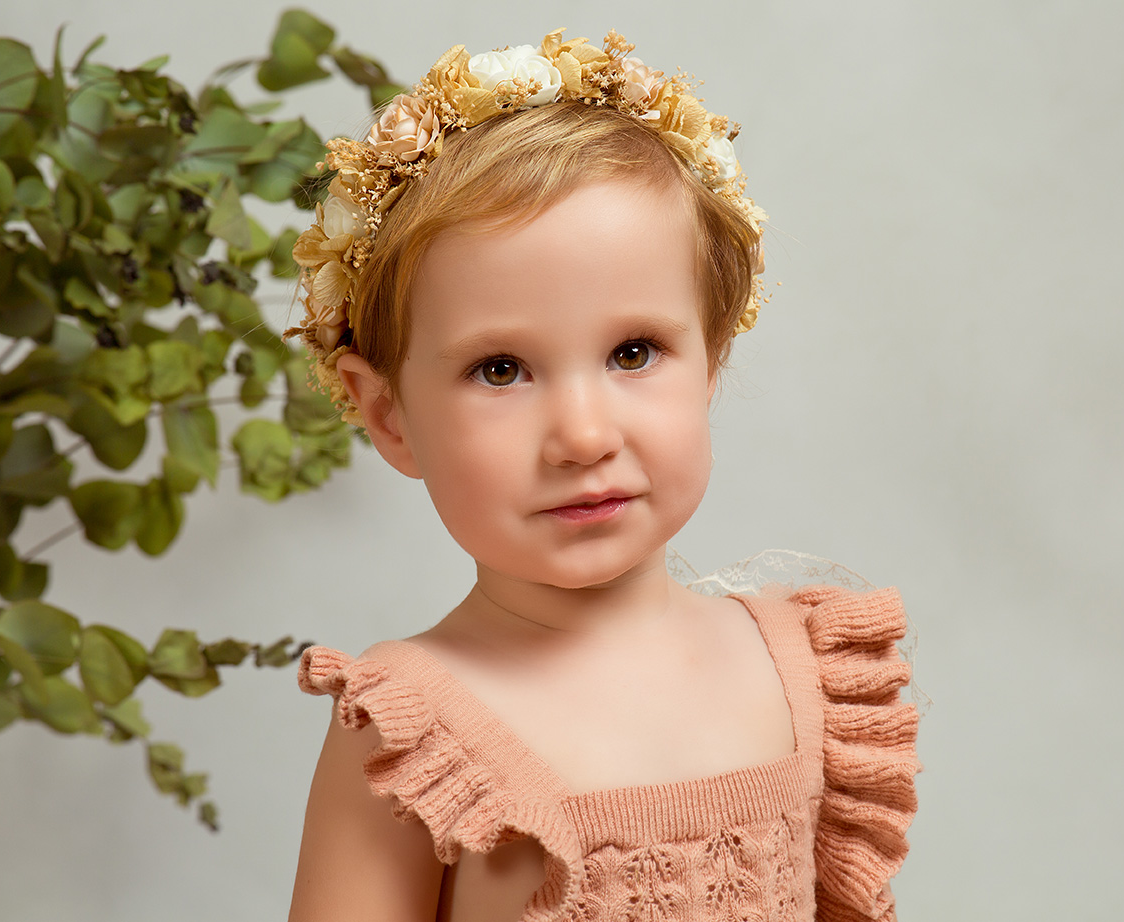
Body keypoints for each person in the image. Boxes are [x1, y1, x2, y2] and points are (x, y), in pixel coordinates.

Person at [286, 29, 919, 922]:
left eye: (633, 352)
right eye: (500, 369)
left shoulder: (800, 677)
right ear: (390, 416)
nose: (582, 437)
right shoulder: (410, 736)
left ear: (712, 360)